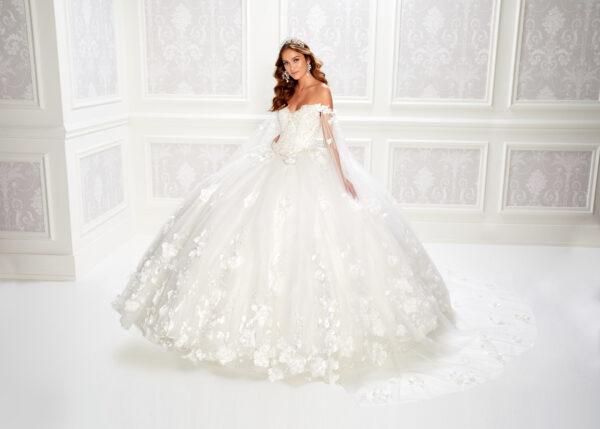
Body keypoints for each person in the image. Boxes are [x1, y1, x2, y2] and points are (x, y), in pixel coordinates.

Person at [112, 37, 536, 406]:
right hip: (275, 164)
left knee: (318, 245)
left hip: (310, 170)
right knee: (244, 238)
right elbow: (283, 132)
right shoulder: (290, 92)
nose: (291, 67)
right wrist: (273, 146)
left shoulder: (321, 91)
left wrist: (344, 177)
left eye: (296, 60)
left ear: (308, 59)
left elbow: (332, 140)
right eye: (286, 63)